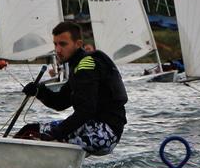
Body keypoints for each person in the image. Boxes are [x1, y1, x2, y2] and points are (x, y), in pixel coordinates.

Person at [14, 21, 128, 155]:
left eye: (63, 44)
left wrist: (56, 133)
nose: (57, 50)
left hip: (105, 133)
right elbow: (60, 102)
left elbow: (86, 110)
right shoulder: (77, 67)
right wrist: (39, 91)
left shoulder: (87, 64)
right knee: (31, 130)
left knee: (35, 134)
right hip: (92, 127)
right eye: (55, 44)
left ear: (78, 44)